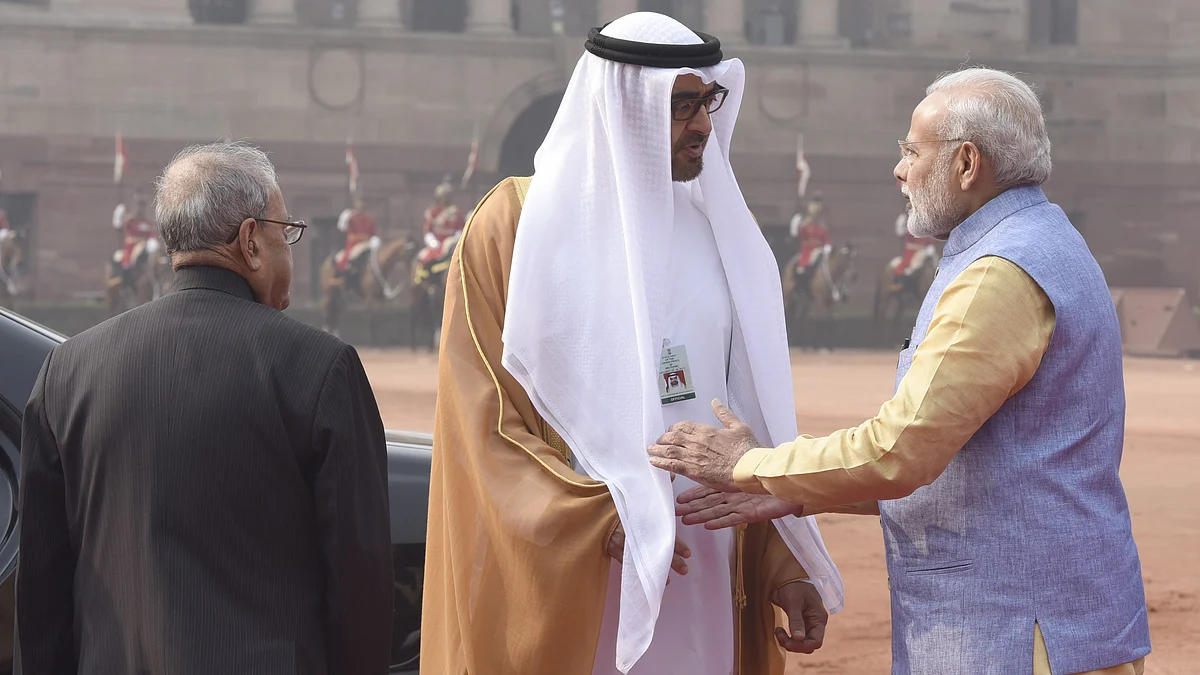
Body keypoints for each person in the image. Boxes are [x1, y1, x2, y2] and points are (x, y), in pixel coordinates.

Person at [650, 67, 1151, 675]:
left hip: (1015, 632)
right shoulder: (1043, 239)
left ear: (966, 164)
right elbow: (961, 467)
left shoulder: (997, 274)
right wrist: (781, 489)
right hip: (1056, 621)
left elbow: (901, 451)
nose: (900, 170)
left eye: (912, 151)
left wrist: (748, 467)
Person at [422, 13, 843, 675]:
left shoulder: (717, 234)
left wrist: (780, 563)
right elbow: (484, 423)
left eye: (708, 102)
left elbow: (745, 417)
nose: (703, 123)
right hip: (578, 571)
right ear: (623, 104)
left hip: (705, 568)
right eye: (681, 105)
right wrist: (599, 517)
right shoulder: (515, 227)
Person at [18, 141, 394, 674]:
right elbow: (359, 585)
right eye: (284, 232)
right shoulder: (321, 368)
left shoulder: (70, 371)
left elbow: (43, 600)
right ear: (250, 242)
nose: (290, 248)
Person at [413, 177, 464, 282]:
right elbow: (427, 230)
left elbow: (460, 228)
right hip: (436, 243)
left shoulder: (456, 212)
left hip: (451, 243)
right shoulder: (432, 211)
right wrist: (432, 242)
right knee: (422, 257)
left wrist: (455, 238)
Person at [112, 189, 157, 270]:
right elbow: (119, 226)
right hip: (131, 247)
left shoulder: (147, 223)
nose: (140, 208)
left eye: (143, 206)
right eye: (139, 205)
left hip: (144, 247)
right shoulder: (130, 221)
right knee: (127, 264)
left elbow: (151, 234)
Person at [889, 209, 936, 283]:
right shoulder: (906, 219)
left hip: (922, 251)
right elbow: (900, 233)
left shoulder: (927, 220)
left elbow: (929, 240)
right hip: (909, 251)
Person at [335, 194, 379, 273]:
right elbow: (342, 228)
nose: (361, 204)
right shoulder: (350, 216)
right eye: (359, 202)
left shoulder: (369, 218)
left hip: (367, 243)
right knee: (352, 257)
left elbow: (373, 233)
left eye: (363, 202)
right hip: (354, 243)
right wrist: (345, 218)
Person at [789, 197, 831, 277]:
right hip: (808, 249)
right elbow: (799, 234)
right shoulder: (806, 226)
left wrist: (827, 246)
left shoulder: (821, 226)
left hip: (819, 249)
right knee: (803, 267)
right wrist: (796, 225)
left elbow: (825, 238)